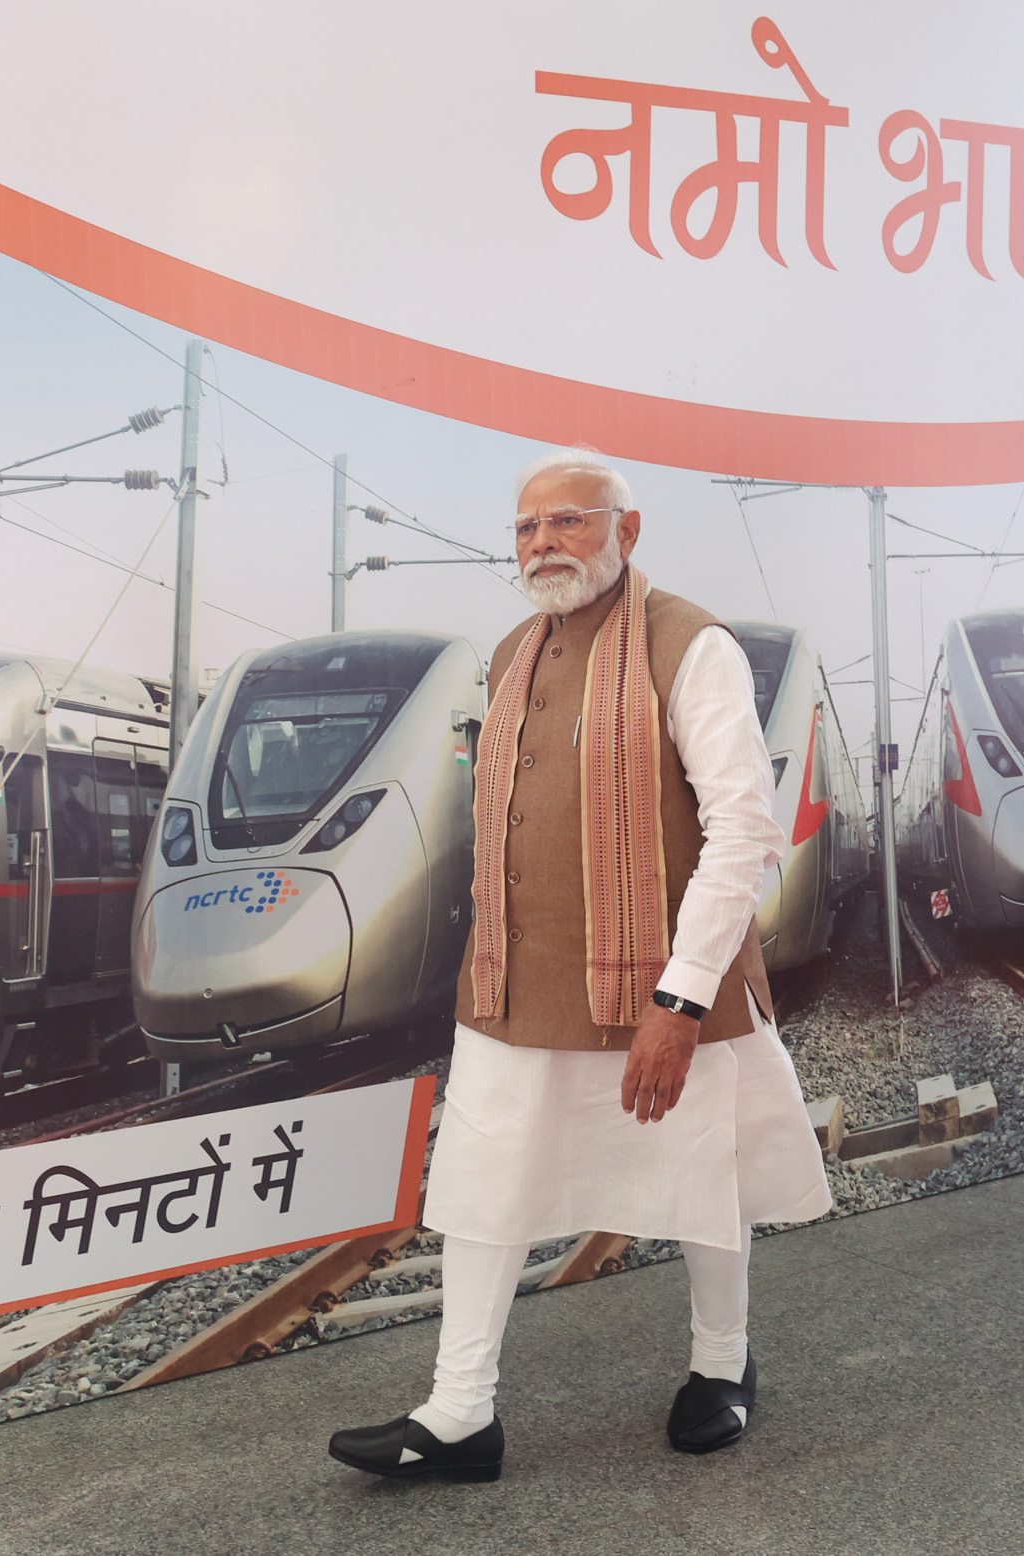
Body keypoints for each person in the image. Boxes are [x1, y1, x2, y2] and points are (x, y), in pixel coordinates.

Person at [328, 447, 833, 1483]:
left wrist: (680, 1000)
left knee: (703, 1174)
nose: (543, 543)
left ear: (626, 530)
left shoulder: (691, 645)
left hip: (667, 982)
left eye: (568, 520)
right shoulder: (513, 651)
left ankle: (721, 1363)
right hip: (513, 985)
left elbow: (743, 829)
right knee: (482, 1184)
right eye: (526, 527)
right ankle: (459, 1414)